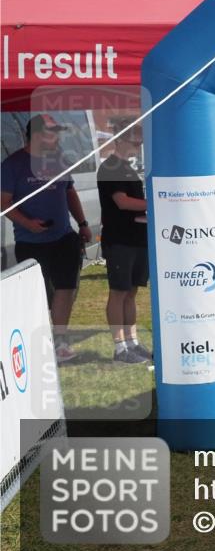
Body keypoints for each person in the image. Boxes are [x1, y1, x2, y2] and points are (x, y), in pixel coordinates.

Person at [0, 114, 92, 363]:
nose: (58, 137)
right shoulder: (12, 164)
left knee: (66, 287)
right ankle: (36, 343)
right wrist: (28, 223)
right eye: (53, 132)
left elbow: (69, 192)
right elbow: (4, 203)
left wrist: (82, 224)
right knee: (37, 293)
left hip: (63, 237)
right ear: (39, 135)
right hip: (31, 242)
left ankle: (60, 342)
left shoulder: (58, 160)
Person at [97, 122, 152, 364]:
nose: (138, 147)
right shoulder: (110, 167)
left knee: (131, 292)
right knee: (118, 292)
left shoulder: (127, 168)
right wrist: (155, 203)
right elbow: (122, 201)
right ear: (120, 140)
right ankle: (120, 348)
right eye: (135, 143)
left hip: (137, 237)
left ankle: (132, 342)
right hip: (120, 240)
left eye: (139, 143)